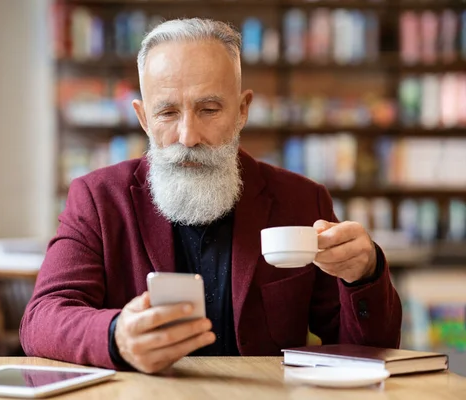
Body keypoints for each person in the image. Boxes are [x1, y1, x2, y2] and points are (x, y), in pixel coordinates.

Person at [20, 18, 402, 374]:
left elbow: (370, 352)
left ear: (241, 110)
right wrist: (117, 335)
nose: (189, 137)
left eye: (209, 109)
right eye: (168, 112)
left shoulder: (302, 200)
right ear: (142, 119)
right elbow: (41, 319)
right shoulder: (98, 199)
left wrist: (363, 275)